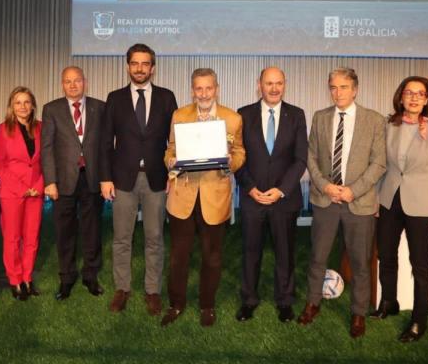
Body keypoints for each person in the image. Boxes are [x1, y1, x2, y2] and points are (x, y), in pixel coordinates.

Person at [298, 68, 386, 339]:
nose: (338, 92)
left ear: (355, 89)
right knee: (318, 257)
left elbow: (379, 162)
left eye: (344, 87)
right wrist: (325, 185)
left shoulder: (374, 120)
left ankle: (358, 313)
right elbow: (310, 156)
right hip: (326, 200)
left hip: (358, 203)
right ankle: (313, 303)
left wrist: (352, 191)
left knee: (360, 262)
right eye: (333, 87)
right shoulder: (320, 117)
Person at [160, 68, 246, 327]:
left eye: (209, 88)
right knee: (178, 256)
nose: (204, 93)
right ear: (192, 90)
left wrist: (232, 163)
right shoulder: (180, 115)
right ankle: (176, 304)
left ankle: (207, 305)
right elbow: (170, 149)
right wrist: (170, 161)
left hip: (215, 197)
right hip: (182, 196)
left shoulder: (233, 118)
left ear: (216, 89)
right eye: (199, 88)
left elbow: (240, 152)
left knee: (212, 256)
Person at [373, 76, 428, 343]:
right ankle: (388, 302)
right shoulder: (389, 125)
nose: (415, 98)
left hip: (422, 205)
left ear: (427, 99)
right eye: (409, 93)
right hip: (389, 200)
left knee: (421, 265)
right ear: (401, 96)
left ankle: (419, 320)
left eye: (421, 93)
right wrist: (375, 199)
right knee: (386, 255)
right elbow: (381, 165)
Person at [100, 44, 178, 315]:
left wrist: (174, 172)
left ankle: (153, 290)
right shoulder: (115, 98)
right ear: (128, 66)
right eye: (135, 63)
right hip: (123, 179)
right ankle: (122, 288)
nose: (140, 68)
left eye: (145, 64)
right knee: (122, 237)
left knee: (155, 237)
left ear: (153, 68)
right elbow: (105, 141)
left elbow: (176, 140)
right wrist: (105, 178)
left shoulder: (167, 98)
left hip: (157, 178)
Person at [235, 67, 307, 324]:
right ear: (259, 85)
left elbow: (300, 159)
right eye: (269, 83)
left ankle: (285, 301)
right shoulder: (243, 115)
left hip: (283, 199)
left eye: (279, 83)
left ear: (284, 85)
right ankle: (248, 300)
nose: (274, 88)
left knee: (285, 253)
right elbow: (237, 158)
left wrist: (281, 190)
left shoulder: (296, 115)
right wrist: (251, 188)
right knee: (250, 252)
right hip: (251, 197)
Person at [41, 66, 106, 300]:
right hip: (64, 181)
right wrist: (50, 181)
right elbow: (46, 148)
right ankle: (66, 278)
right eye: (67, 81)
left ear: (84, 82)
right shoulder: (52, 109)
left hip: (92, 179)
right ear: (62, 84)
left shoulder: (100, 107)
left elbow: (106, 146)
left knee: (92, 230)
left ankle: (91, 275)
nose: (72, 85)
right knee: (64, 232)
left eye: (76, 80)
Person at [0, 86, 44, 300]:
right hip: (12, 192)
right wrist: (22, 188)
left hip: (36, 191)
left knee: (32, 238)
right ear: (11, 107)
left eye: (26, 102)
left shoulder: (42, 127)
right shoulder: (3, 129)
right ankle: (14, 279)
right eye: (18, 102)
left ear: (33, 105)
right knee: (12, 238)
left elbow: (46, 160)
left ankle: (27, 276)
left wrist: (39, 186)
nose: (22, 106)